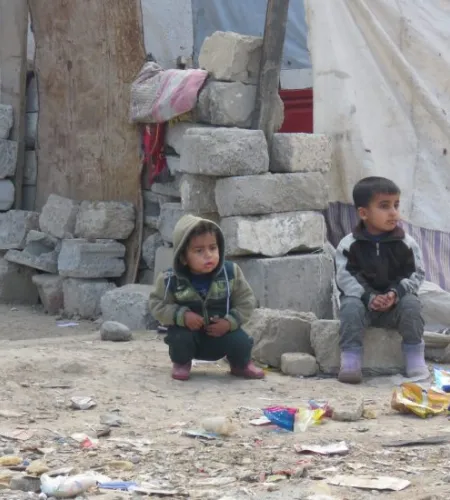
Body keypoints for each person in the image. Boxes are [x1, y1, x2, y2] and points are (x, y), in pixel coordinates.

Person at [149, 214, 265, 381]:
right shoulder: (170, 279)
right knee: (179, 338)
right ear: (183, 257)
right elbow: (157, 304)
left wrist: (229, 323)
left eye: (213, 248)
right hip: (189, 334)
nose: (208, 255)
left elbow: (246, 301)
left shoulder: (231, 273)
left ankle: (241, 365)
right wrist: (182, 316)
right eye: (199, 251)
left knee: (242, 341)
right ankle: (181, 363)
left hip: (222, 333)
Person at [335, 176, 428, 384]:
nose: (394, 212)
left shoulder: (406, 243)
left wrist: (395, 293)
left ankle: (414, 357)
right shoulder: (348, 245)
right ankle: (350, 360)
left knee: (412, 304)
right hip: (363, 306)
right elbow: (345, 277)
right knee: (349, 306)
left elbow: (416, 273)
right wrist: (369, 297)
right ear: (363, 213)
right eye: (384, 206)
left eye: (396, 205)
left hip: (395, 305)